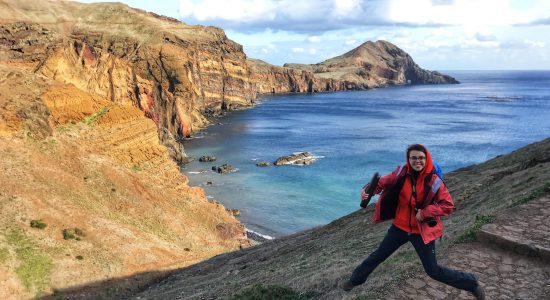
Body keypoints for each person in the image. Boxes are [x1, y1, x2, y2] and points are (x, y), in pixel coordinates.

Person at [342, 144, 485, 299]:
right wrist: (367, 190)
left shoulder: (434, 180)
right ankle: (354, 281)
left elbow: (448, 206)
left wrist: (425, 213)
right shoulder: (401, 173)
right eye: (414, 158)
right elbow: (382, 182)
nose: (418, 161)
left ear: (427, 158)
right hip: (399, 228)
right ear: (408, 159)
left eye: (421, 158)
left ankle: (472, 284)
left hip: (421, 231)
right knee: (378, 256)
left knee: (433, 271)